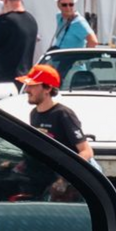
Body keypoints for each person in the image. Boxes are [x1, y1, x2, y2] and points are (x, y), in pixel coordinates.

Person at [16, 62, 92, 200]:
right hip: (43, 174)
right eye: (27, 85)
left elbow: (86, 151)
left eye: (32, 85)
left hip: (62, 180)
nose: (27, 89)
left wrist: (64, 180)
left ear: (48, 88)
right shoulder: (34, 114)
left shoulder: (63, 114)